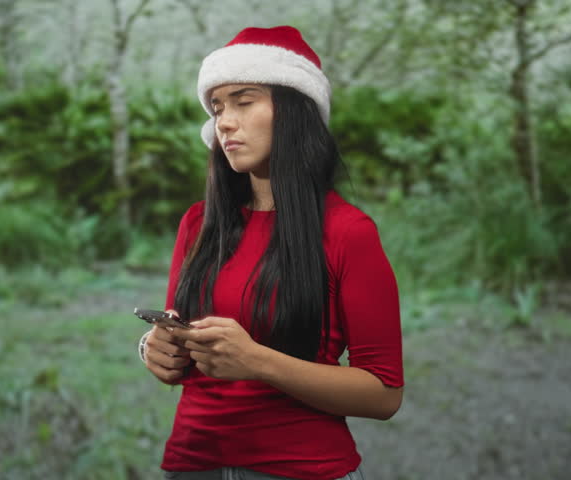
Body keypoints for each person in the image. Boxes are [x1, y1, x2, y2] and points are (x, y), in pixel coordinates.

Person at [138, 25, 403, 480]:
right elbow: (181, 340)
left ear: (295, 111)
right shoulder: (198, 224)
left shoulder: (348, 232)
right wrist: (156, 349)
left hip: (303, 467)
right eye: (218, 107)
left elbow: (383, 394)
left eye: (244, 101)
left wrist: (258, 362)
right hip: (191, 463)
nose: (224, 120)